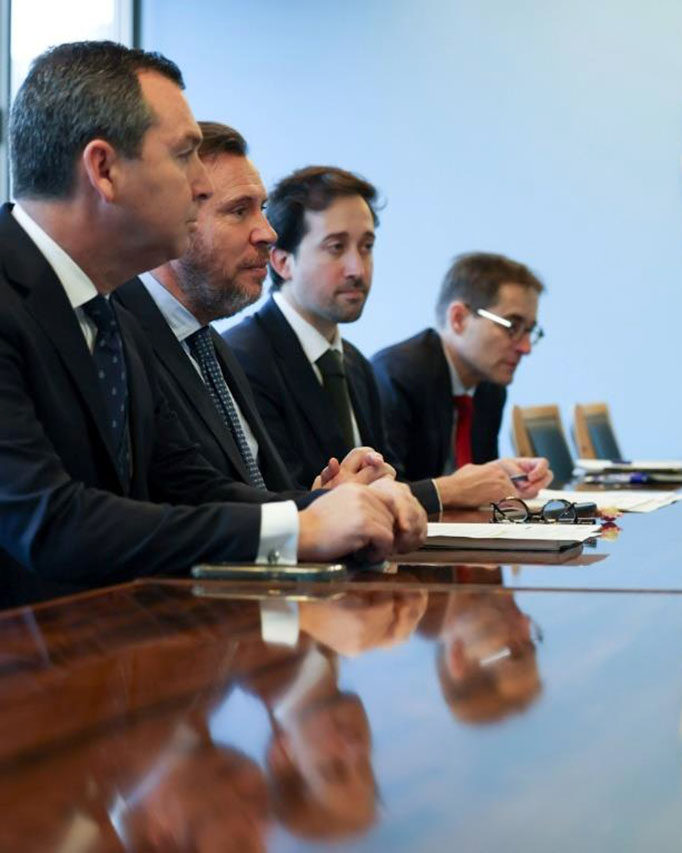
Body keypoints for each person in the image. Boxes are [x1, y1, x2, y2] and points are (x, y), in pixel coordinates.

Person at [0, 41, 409, 588]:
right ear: (104, 169)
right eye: (183, 154)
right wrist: (298, 530)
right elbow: (50, 523)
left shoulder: (110, 313)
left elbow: (193, 488)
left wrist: (336, 509)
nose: (200, 184)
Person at [224, 167, 549, 512]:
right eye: (336, 247)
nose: (357, 269)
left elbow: (389, 484)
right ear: (282, 261)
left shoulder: (353, 363)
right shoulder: (242, 359)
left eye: (366, 247)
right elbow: (281, 503)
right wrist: (447, 490)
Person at [114, 121, 398, 496]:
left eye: (261, 209)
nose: (268, 232)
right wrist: (317, 512)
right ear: (169, 217)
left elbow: (258, 498)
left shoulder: (210, 346)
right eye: (238, 211)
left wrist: (323, 500)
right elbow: (190, 509)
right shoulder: (119, 338)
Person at [372, 252, 545, 485]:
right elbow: (385, 492)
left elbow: (481, 488)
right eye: (512, 326)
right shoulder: (397, 376)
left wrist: (514, 480)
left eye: (529, 330)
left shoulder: (490, 388)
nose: (525, 348)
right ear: (458, 318)